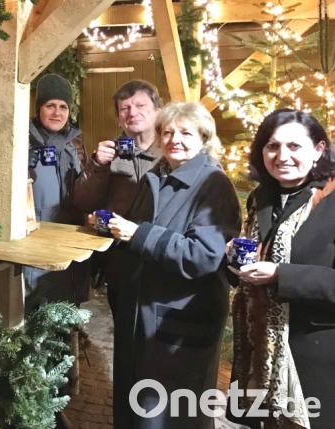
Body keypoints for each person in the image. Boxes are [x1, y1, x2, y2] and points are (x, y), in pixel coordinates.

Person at [98, 102, 241, 428]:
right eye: (168, 132)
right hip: (142, 315)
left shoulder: (214, 185)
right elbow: (139, 232)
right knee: (137, 408)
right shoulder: (156, 176)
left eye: (186, 133)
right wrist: (113, 229)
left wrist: (138, 234)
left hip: (179, 321)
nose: (175, 139)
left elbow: (203, 255)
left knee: (171, 414)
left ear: (203, 138)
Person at [229, 109, 335, 428]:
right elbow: (253, 260)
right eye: (272, 146)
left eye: (294, 146)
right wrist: (233, 258)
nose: (282, 156)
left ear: (318, 150)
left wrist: (280, 275)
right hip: (258, 351)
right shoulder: (261, 197)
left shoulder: (330, 200)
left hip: (314, 356)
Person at [25, 73, 90, 307]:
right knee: (37, 303)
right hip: (35, 237)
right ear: (38, 109)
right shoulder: (23, 140)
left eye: (63, 106)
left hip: (70, 235)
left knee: (67, 304)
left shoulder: (75, 142)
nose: (57, 113)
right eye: (50, 105)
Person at [73, 79, 162, 217]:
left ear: (158, 112)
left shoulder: (172, 153)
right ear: (119, 120)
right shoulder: (108, 154)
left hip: (156, 231)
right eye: (125, 108)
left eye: (140, 106)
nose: (132, 113)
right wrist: (98, 165)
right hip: (115, 231)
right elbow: (83, 203)